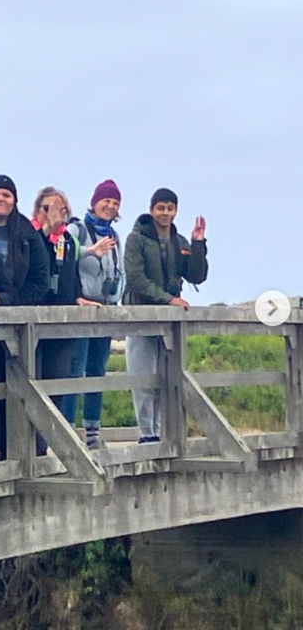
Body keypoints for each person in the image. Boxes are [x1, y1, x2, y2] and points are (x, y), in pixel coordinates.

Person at [124, 188, 209, 443]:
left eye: (170, 208)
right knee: (142, 376)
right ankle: (146, 432)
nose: (165, 213)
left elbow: (196, 276)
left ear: (176, 211)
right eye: (160, 208)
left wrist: (198, 244)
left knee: (166, 376)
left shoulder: (180, 241)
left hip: (169, 321)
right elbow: (136, 278)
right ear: (151, 210)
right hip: (141, 315)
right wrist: (168, 299)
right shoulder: (136, 238)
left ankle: (162, 432)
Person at [0, 175, 50, 462]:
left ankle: (13, 447)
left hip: (18, 324)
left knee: (15, 386)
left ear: (15, 200)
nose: (0, 199)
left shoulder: (27, 234)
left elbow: (39, 280)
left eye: (6, 195)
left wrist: (9, 302)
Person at [30, 187, 99, 451]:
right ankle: (21, 446)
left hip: (60, 324)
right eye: (48, 208)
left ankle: (44, 446)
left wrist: (78, 296)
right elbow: (30, 265)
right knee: (31, 387)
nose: (55, 215)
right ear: (38, 210)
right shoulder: (30, 236)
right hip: (32, 324)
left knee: (57, 384)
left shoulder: (67, 241)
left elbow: (71, 275)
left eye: (61, 210)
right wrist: (46, 229)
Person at [73, 180, 124, 449]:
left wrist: (116, 300)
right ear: (94, 201)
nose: (110, 206)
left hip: (104, 311)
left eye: (115, 203)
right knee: (74, 372)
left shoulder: (115, 237)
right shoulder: (77, 229)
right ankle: (67, 431)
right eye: (106, 200)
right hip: (80, 309)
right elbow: (64, 256)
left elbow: (121, 272)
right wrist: (90, 251)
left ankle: (93, 432)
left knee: (96, 371)